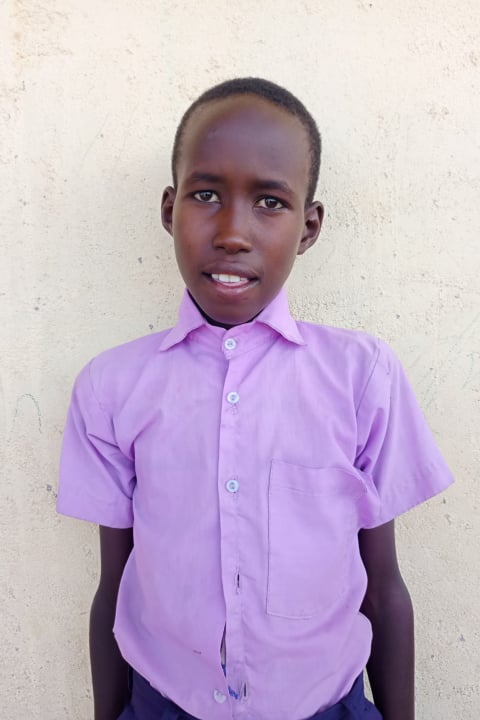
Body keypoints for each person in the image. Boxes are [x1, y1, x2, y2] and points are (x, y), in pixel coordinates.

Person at [57, 77, 453, 720]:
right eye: (206, 195)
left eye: (270, 202)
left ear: (309, 226)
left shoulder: (361, 377)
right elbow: (115, 588)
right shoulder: (112, 387)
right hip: (164, 704)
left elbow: (383, 590)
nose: (233, 233)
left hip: (325, 705)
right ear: (169, 209)